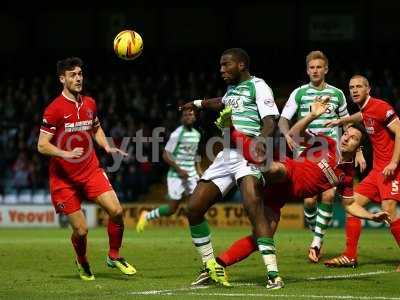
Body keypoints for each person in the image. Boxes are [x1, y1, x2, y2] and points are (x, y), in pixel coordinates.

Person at [215, 97, 390, 289]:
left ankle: (218, 264)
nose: (347, 138)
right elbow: (294, 133)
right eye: (346, 133)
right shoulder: (328, 143)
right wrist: (312, 115)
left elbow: (350, 205)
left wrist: (372, 216)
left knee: (263, 235)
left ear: (359, 147)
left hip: (282, 196)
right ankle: (232, 133)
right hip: (287, 171)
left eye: (353, 138)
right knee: (273, 168)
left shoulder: (346, 176)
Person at [180, 48, 279, 287]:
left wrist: (258, 143)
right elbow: (220, 102)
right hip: (226, 154)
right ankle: (211, 268)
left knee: (253, 208)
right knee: (193, 208)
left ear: (242, 65)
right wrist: (196, 103)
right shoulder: (231, 89)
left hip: (248, 153)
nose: (222, 69)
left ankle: (273, 274)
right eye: (221, 65)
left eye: (226, 65)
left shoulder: (259, 86)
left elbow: (270, 121)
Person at [37, 57, 136, 281]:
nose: (78, 78)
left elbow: (96, 128)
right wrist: (65, 154)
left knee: (117, 212)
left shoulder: (90, 103)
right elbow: (41, 145)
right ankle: (82, 261)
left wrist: (107, 146)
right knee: (81, 231)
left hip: (90, 170)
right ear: (62, 79)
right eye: (72, 75)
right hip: (64, 179)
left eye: (80, 74)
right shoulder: (54, 109)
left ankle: (113, 255)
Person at [278, 50, 366, 263]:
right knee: (309, 202)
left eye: (319, 67)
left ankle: (316, 243)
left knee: (327, 195)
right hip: (306, 153)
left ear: (326, 69)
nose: (315, 70)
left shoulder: (337, 94)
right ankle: (313, 227)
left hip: (332, 152)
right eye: (312, 67)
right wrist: (286, 136)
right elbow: (283, 119)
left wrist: (359, 151)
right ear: (307, 70)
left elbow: (348, 124)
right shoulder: (298, 93)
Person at [324, 75, 400, 270]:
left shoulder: (381, 107)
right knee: (352, 204)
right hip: (377, 172)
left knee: (389, 211)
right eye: (351, 87)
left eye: (359, 86)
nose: (354, 90)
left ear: (368, 89)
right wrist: (341, 121)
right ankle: (350, 256)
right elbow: (362, 117)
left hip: (392, 170)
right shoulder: (365, 110)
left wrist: (393, 162)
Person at [136, 109, 201, 232]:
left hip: (191, 175)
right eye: (185, 115)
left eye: (190, 114)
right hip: (176, 176)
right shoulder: (177, 134)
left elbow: (195, 153)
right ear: (182, 118)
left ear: (195, 117)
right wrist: (180, 170)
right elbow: (166, 155)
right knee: (172, 209)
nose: (188, 116)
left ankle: (198, 230)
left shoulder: (197, 134)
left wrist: (198, 170)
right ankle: (146, 215)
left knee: (197, 204)